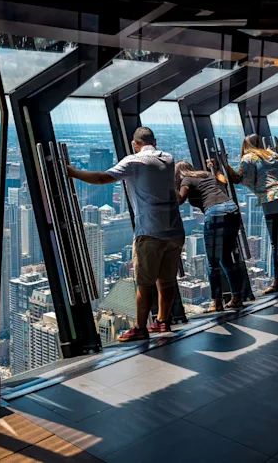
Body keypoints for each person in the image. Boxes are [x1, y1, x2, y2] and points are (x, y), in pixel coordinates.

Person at [67, 127, 184, 342]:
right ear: (154, 141)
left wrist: (73, 173)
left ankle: (140, 327)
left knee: (144, 283)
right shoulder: (168, 158)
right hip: (175, 230)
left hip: (150, 231)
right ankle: (163, 321)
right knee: (167, 281)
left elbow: (103, 178)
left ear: (134, 143)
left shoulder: (134, 161)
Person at [226, 134, 278, 295]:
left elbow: (237, 179)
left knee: (277, 243)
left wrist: (225, 165)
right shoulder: (270, 153)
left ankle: (277, 282)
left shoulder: (248, 157)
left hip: (272, 199)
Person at [175, 160, 246, 311]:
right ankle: (236, 297)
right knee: (226, 258)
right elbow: (223, 182)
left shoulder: (186, 180)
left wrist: (167, 184)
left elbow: (180, 199)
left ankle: (217, 302)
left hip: (215, 213)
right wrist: (215, 168)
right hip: (232, 210)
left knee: (212, 262)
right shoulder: (206, 174)